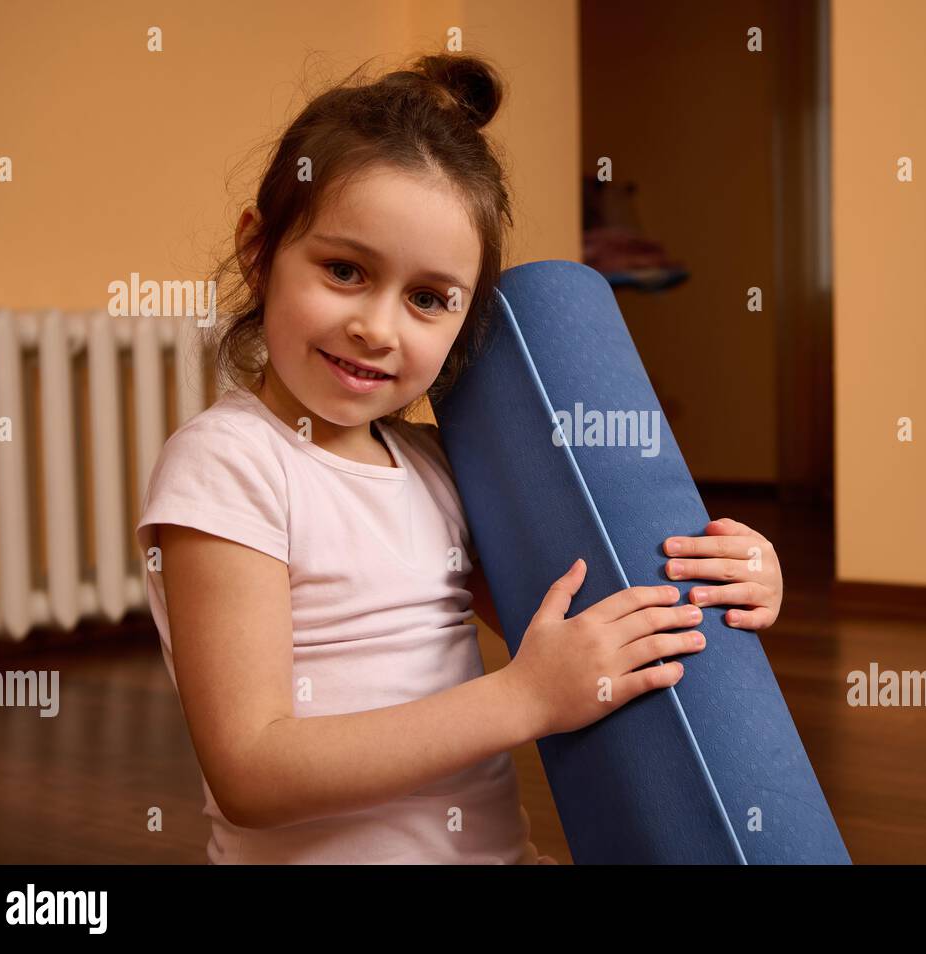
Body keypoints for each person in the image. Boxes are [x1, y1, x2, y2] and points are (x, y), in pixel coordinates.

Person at [135, 51, 784, 864]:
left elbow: (581, 622)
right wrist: (522, 699)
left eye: (428, 298)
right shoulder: (227, 465)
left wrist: (735, 575)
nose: (378, 326)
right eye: (344, 270)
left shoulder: (437, 469)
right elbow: (251, 773)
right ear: (261, 256)